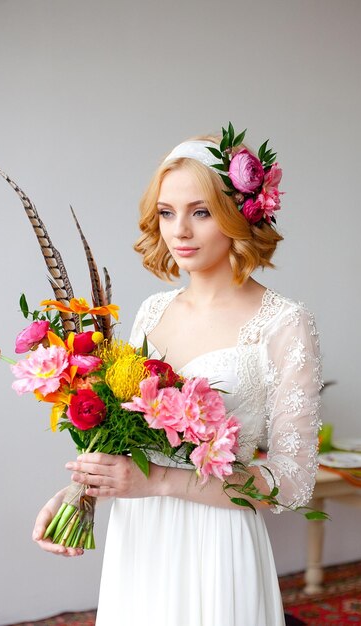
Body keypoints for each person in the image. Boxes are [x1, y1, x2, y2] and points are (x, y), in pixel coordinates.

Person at [33, 127, 322, 626]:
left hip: (218, 544)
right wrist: (78, 491)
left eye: (201, 212)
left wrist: (161, 482)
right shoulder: (152, 311)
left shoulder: (285, 323)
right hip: (140, 538)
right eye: (167, 213)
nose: (179, 231)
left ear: (239, 214)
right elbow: (127, 439)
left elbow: (291, 483)